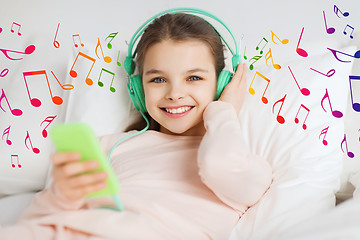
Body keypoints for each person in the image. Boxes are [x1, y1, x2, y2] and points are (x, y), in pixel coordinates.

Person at [0, 11, 272, 240]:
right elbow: (38, 220)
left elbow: (219, 167)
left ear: (222, 83)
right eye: (157, 80)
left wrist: (224, 111)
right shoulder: (111, 146)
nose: (175, 93)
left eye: (193, 78)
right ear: (137, 90)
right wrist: (62, 196)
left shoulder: (242, 162)